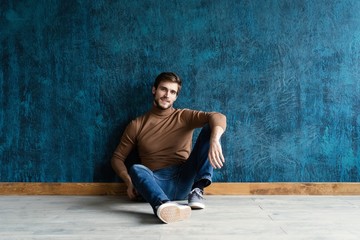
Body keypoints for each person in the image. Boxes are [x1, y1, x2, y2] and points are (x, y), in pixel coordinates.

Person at [111, 72, 226, 224]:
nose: (167, 95)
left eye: (172, 92)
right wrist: (128, 182)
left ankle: (197, 190)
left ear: (176, 97)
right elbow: (117, 158)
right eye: (163, 89)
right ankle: (163, 206)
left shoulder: (183, 116)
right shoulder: (136, 125)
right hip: (155, 182)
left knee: (210, 129)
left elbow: (218, 116)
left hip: (184, 177)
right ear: (154, 90)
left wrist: (215, 139)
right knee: (136, 169)